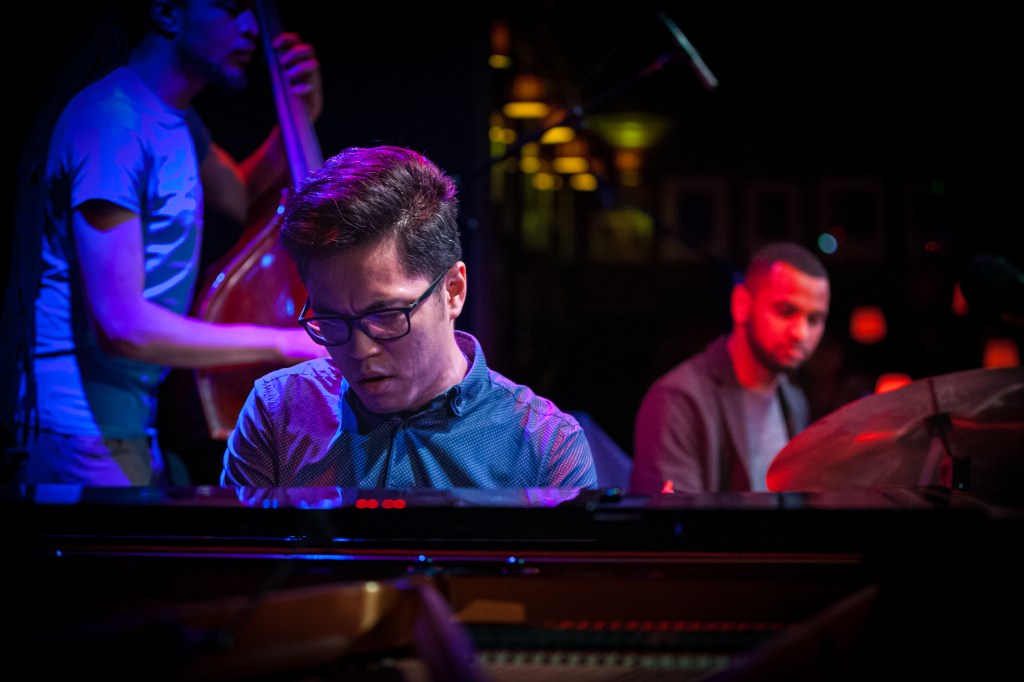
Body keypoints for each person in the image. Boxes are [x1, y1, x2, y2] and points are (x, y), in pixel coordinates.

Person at [13, 0, 329, 486]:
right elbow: (122, 326)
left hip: (125, 422)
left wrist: (299, 113)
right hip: (78, 428)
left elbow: (238, 194)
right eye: (230, 7)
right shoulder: (114, 123)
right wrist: (289, 343)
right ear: (165, 12)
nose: (251, 26)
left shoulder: (177, 120)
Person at [221, 145, 598, 488]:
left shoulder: (545, 447)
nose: (359, 350)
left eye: (385, 314)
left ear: (453, 290)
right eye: (331, 319)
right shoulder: (278, 412)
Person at [630, 242, 831, 494]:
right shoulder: (677, 400)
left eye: (814, 319)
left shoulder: (794, 399)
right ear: (741, 304)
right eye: (785, 311)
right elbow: (673, 517)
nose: (801, 333)